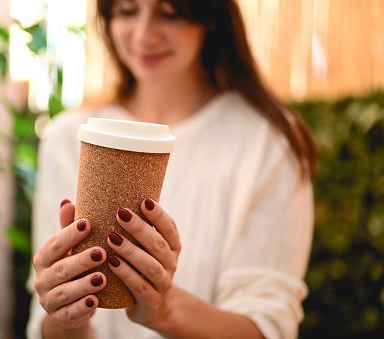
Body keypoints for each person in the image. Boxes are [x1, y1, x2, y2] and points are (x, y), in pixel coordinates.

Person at [27, 0, 317, 338]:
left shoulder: (268, 143)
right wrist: (67, 313)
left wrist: (164, 311)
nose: (144, 35)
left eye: (170, 13)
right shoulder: (70, 137)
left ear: (209, 17)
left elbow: (267, 326)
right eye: (127, 11)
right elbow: (46, 324)